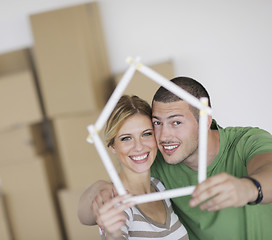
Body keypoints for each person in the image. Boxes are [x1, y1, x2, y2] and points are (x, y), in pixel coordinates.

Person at [78, 77, 272, 240]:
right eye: (157, 123)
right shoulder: (157, 162)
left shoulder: (246, 141)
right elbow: (89, 215)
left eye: (176, 122)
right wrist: (101, 189)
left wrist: (248, 188)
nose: (163, 136)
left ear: (204, 121)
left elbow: (268, 166)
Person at [97, 95, 189, 239]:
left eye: (146, 134)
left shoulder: (160, 187)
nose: (139, 147)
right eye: (126, 138)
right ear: (112, 145)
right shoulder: (117, 202)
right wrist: (112, 235)